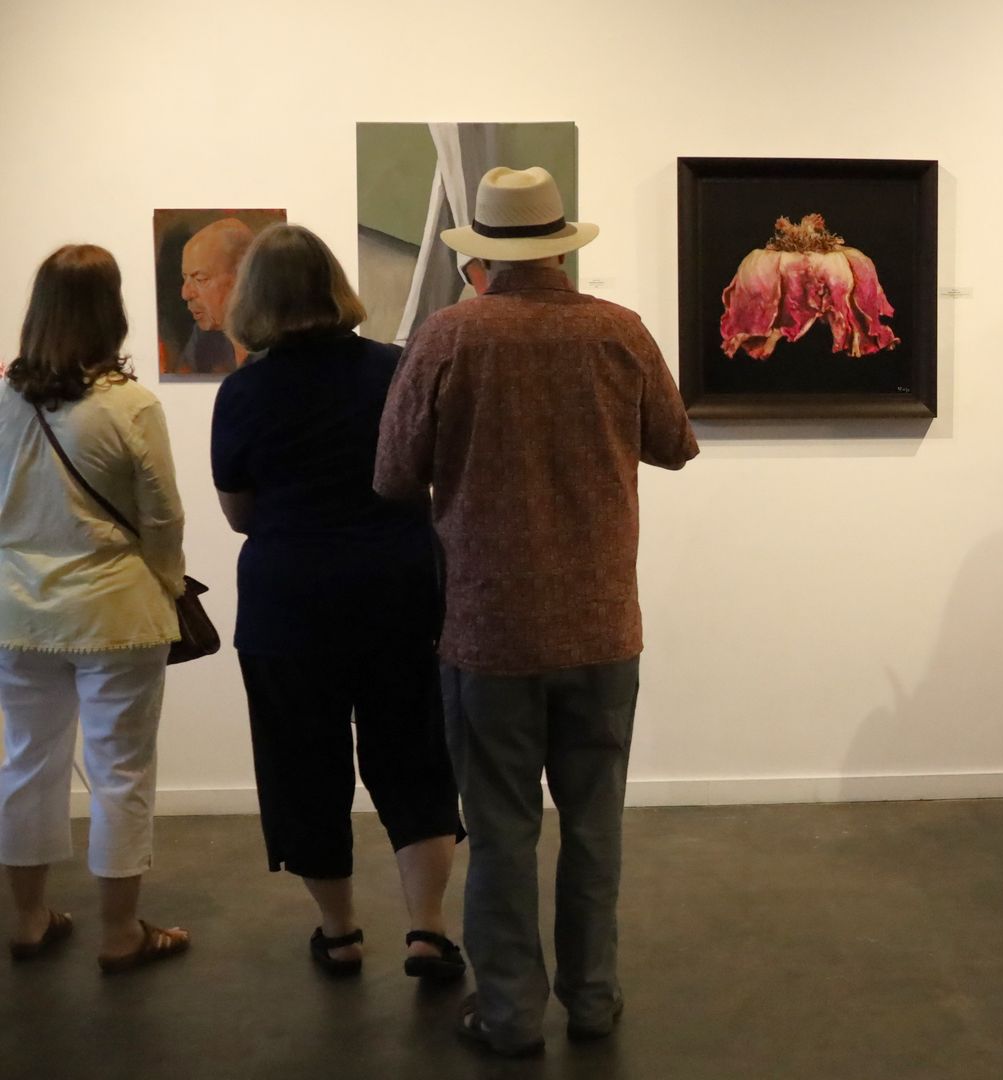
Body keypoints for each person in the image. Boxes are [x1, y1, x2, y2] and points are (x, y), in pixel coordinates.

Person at [375, 165, 699, 1057]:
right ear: (561, 244)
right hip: (601, 628)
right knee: (595, 825)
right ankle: (593, 999)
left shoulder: (446, 338)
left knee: (503, 833)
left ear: (482, 253)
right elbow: (676, 445)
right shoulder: (618, 332)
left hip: (488, 633)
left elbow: (393, 476)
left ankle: (512, 1012)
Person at [210, 224, 467, 979]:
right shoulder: (395, 369)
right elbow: (433, 476)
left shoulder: (244, 391)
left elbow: (239, 512)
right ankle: (426, 932)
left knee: (304, 768)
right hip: (399, 591)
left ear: (252, 300)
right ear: (334, 287)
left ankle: (341, 933)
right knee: (416, 760)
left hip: (289, 606)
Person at [0, 245, 191, 973]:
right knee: (120, 772)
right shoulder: (129, 404)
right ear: (111, 311)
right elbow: (163, 517)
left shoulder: (1, 400)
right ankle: (120, 933)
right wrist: (167, 583)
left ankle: (27, 921)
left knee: (25, 764)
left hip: (18, 614)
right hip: (115, 612)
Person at [174, 218, 255, 375]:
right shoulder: (203, 336)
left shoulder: (277, 342)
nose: (185, 294)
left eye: (200, 280)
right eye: (185, 279)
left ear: (240, 278)